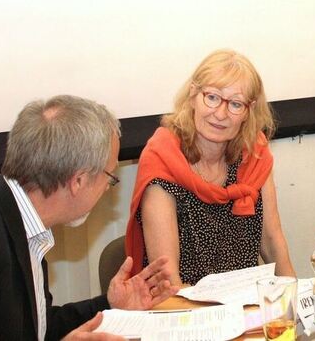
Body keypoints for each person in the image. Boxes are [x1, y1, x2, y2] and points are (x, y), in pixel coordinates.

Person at [0, 95, 178, 341]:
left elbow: (38, 328)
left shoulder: (26, 224)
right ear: (78, 181)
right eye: (110, 178)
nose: (106, 189)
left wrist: (111, 306)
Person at [125, 49, 295, 285]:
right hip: (184, 308)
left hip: (245, 306)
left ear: (248, 111)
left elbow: (272, 240)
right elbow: (167, 281)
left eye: (235, 104)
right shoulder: (163, 159)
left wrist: (295, 303)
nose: (221, 114)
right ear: (194, 94)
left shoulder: (254, 155)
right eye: (212, 97)